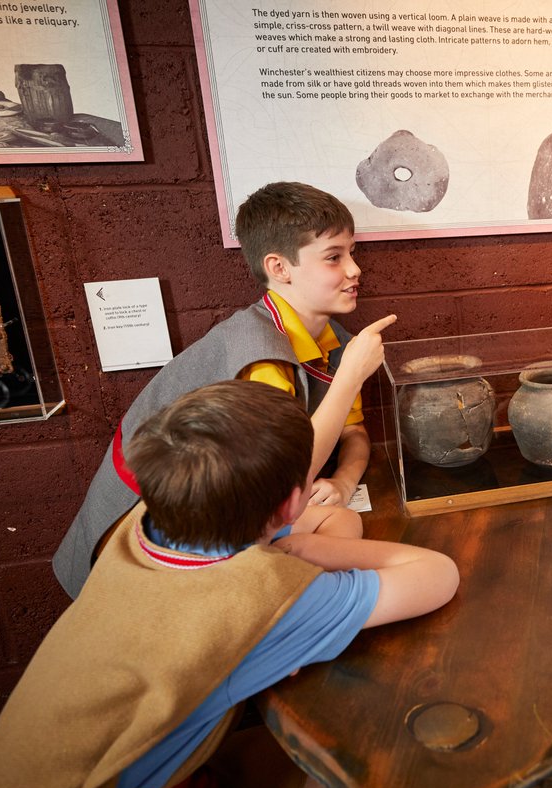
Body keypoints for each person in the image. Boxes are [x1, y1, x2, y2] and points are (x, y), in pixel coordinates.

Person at [0, 380, 459, 788]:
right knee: (368, 763)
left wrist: (295, 549)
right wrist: (307, 556)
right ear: (289, 503)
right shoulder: (264, 594)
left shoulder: (148, 524)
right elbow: (438, 575)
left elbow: (334, 519)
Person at [54, 181, 394, 599]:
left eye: (352, 253)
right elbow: (292, 472)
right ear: (279, 268)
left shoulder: (332, 337)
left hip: (231, 509)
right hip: (156, 530)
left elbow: (353, 432)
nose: (354, 269)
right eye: (333, 258)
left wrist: (343, 481)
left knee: (342, 522)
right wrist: (351, 376)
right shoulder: (260, 354)